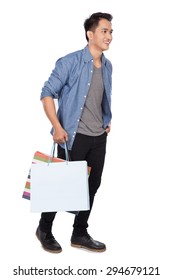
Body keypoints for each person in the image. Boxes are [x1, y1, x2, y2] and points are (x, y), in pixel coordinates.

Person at [36, 12, 113, 253]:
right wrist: (57, 128)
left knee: (92, 185)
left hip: (98, 137)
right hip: (73, 135)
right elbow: (46, 94)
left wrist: (106, 120)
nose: (109, 36)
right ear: (90, 34)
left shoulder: (108, 66)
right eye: (104, 31)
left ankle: (79, 232)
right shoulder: (69, 62)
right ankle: (44, 229)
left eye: (111, 32)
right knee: (62, 185)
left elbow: (101, 98)